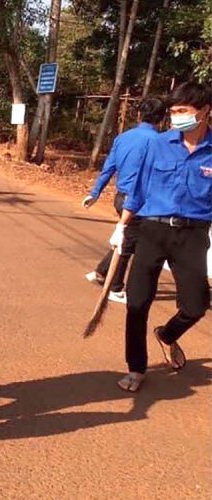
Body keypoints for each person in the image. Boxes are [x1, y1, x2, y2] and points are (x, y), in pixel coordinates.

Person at [113, 82, 212, 392]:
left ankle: (167, 335)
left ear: (205, 111)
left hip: (193, 235)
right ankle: (136, 368)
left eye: (183, 111)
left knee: (196, 306)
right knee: (137, 302)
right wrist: (122, 226)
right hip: (152, 231)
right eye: (173, 112)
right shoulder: (158, 144)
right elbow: (138, 188)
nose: (176, 117)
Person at [82, 98, 166, 304]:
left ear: (138, 115)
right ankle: (116, 287)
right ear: (163, 119)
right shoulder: (159, 142)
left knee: (128, 238)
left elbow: (109, 167)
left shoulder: (123, 138)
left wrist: (95, 193)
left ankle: (102, 271)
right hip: (139, 202)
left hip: (121, 198)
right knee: (128, 244)